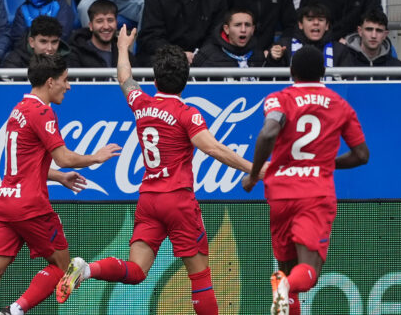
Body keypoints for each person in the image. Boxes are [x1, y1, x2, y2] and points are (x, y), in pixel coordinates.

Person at [55, 28, 254, 315]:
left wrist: (123, 47)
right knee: (200, 277)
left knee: (136, 270)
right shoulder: (187, 113)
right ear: (186, 79)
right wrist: (255, 167)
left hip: (148, 200)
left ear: (156, 78)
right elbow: (214, 149)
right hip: (178, 201)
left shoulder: (142, 104)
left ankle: (88, 269)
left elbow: (124, 77)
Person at [0, 53, 122, 315]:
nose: (69, 86)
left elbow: (24, 166)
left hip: (4, 202)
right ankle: (15, 311)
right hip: (30, 205)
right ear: (50, 81)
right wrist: (95, 157)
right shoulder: (43, 112)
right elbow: (64, 157)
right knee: (64, 267)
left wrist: (57, 176)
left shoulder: (19, 109)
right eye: (65, 80)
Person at [242, 45, 370, 315]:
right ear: (323, 72)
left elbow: (267, 134)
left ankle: (282, 286)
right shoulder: (340, 104)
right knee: (308, 272)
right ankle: (284, 285)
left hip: (279, 194)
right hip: (314, 194)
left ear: (292, 71)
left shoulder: (278, 99)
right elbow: (361, 155)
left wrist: (253, 176)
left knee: (286, 267)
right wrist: (325, 162)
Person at [265, 4, 346, 70]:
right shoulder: (284, 46)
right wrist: (273, 60)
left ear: (327, 26)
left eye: (321, 20)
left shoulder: (339, 50)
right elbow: (268, 80)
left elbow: (351, 82)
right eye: (310, 19)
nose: (316, 23)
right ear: (300, 24)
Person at [192, 8, 266, 70]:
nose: (243, 30)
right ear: (226, 29)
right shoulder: (207, 54)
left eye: (247, 25)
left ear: (253, 29)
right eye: (238, 25)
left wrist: (272, 60)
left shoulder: (259, 54)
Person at [337, 9, 401, 70]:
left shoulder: (398, 68)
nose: (373, 36)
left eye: (378, 30)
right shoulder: (341, 63)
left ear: (385, 35)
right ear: (360, 31)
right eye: (369, 30)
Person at [3, 15, 71, 68]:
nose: (49, 48)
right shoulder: (14, 61)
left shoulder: (68, 59)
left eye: (54, 42)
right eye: (43, 42)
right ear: (31, 42)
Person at [67, 0, 119, 68]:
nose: (106, 26)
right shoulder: (75, 54)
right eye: (99, 21)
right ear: (90, 26)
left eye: (110, 20)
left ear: (116, 24)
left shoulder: (124, 53)